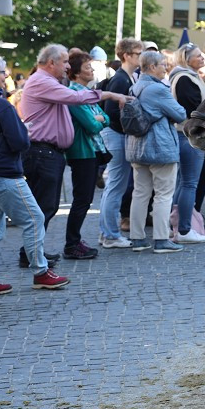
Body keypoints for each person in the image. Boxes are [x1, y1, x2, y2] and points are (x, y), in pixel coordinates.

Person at [18, 44, 128, 267]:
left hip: (50, 152)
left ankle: (32, 252)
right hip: (43, 151)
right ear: (52, 63)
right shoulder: (43, 81)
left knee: (47, 206)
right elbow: (83, 108)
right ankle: (31, 253)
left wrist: (102, 115)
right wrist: (110, 94)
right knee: (45, 206)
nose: (67, 66)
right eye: (65, 62)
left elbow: (100, 117)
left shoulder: (49, 82)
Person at [0, 56, 69, 296]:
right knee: (34, 218)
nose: (6, 76)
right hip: (5, 172)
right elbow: (19, 141)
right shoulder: (0, 105)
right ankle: (41, 272)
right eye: (2, 72)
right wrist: (23, 129)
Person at [125, 50, 186, 253]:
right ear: (151, 67)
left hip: (137, 147)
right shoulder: (157, 90)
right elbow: (180, 113)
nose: (165, 68)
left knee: (140, 193)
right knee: (163, 195)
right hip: (160, 148)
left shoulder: (134, 88)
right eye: (162, 64)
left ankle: (137, 238)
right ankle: (161, 239)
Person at [63, 50, 110, 260]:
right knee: (82, 200)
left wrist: (100, 118)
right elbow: (92, 125)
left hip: (91, 151)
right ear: (75, 72)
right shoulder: (74, 95)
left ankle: (74, 240)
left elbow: (106, 118)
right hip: (82, 152)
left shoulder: (87, 93)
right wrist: (98, 118)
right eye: (88, 67)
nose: (91, 70)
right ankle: (71, 244)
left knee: (85, 199)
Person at [98, 38, 142, 248]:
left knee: (116, 186)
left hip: (118, 135)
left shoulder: (128, 77)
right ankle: (110, 235)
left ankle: (107, 233)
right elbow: (111, 112)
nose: (141, 56)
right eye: (137, 53)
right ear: (126, 55)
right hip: (116, 136)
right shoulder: (121, 79)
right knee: (116, 186)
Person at [169, 44, 205, 244]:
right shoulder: (184, 78)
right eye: (198, 56)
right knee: (188, 183)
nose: (202, 58)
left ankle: (179, 226)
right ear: (187, 59)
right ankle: (184, 229)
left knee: (183, 183)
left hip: (187, 134)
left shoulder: (188, 76)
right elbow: (194, 108)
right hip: (189, 135)